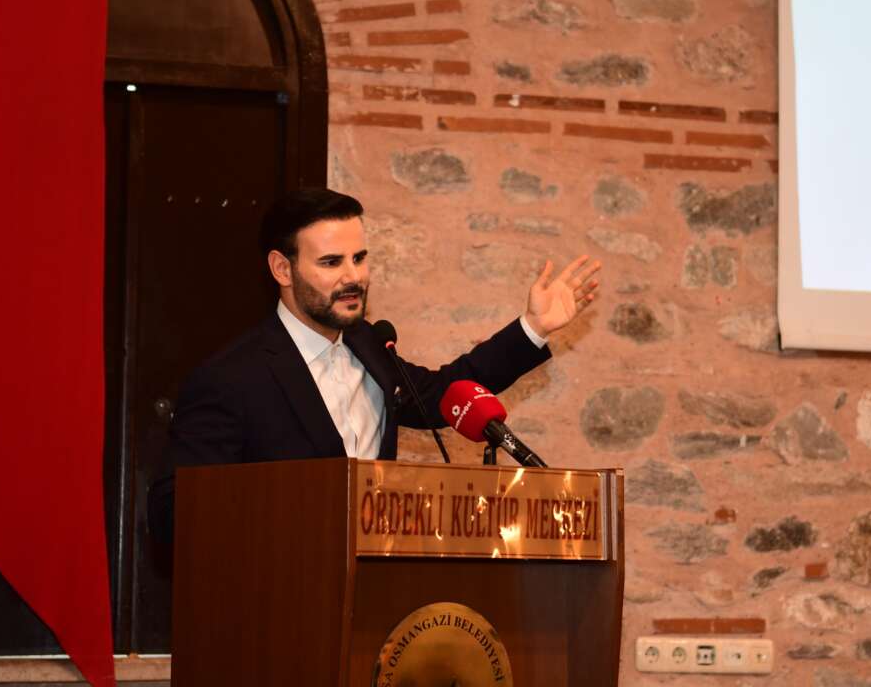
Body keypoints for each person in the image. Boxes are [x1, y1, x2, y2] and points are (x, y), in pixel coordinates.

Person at [147, 188, 599, 542]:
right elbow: (172, 514)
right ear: (283, 270)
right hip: (280, 603)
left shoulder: (369, 346)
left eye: (359, 258)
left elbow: (446, 395)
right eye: (331, 262)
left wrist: (532, 328)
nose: (354, 277)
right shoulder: (231, 378)